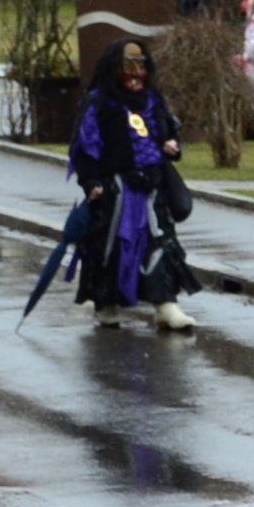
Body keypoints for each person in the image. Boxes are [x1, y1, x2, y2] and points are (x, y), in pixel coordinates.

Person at [68, 39, 201, 332]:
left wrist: (171, 145)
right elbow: (85, 147)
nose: (136, 75)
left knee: (160, 243)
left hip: (153, 188)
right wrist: (91, 182)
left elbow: (167, 132)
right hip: (115, 192)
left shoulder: (152, 99)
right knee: (111, 248)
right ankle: (106, 304)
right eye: (128, 67)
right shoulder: (99, 103)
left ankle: (166, 305)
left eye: (141, 67)